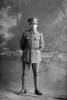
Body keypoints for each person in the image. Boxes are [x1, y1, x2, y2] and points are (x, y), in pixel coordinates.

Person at [18, 17, 44, 95]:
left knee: (36, 73)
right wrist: (27, 50)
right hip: (27, 55)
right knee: (24, 73)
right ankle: (23, 89)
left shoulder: (40, 34)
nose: (33, 25)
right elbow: (21, 44)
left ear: (37, 25)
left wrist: (35, 51)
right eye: (32, 24)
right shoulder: (25, 34)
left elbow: (41, 46)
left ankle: (37, 89)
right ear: (29, 25)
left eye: (35, 24)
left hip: (36, 56)